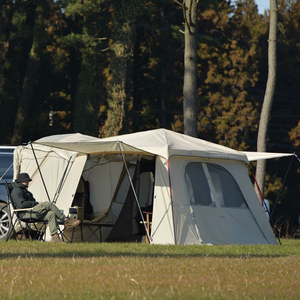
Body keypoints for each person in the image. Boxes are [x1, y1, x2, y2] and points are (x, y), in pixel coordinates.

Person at [11, 172, 80, 243]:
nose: (28, 182)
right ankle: (65, 220)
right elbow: (22, 204)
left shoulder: (23, 190)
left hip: (31, 211)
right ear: (22, 181)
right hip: (25, 214)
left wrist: (36, 204)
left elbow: (30, 202)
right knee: (48, 204)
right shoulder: (16, 191)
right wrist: (37, 203)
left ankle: (55, 237)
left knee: (51, 214)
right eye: (27, 181)